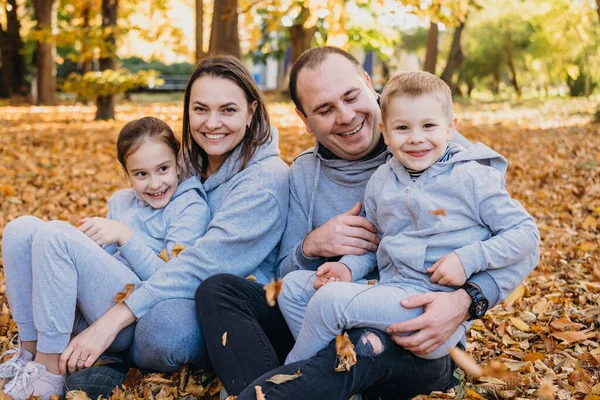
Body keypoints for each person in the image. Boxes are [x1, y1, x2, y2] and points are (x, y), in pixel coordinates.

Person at [196, 46, 538, 400]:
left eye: (351, 96)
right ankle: (293, 386)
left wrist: (467, 301)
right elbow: (285, 274)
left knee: (366, 343)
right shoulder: (305, 173)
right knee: (218, 290)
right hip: (333, 317)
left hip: (417, 330)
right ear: (304, 119)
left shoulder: (437, 149)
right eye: (325, 109)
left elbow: (523, 245)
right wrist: (312, 246)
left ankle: (283, 387)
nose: (345, 116)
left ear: (368, 82)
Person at [60, 55, 289, 397]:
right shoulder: (186, 162)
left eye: (228, 110)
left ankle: (117, 358)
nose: (212, 123)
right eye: (200, 109)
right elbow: (142, 207)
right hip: (161, 281)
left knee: (167, 329)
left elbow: (201, 267)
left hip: (224, 308)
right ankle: (108, 355)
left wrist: (113, 320)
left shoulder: (265, 181)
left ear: (251, 111)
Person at [280, 71, 540, 364]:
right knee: (292, 289)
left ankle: (290, 380)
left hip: (431, 307)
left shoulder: (473, 177)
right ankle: (333, 374)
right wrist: (349, 269)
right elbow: (378, 242)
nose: (416, 139)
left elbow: (526, 233)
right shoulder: (382, 181)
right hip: (391, 291)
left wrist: (469, 259)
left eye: (428, 125)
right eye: (402, 128)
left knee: (330, 302)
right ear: (386, 133)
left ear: (450, 128)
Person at [0, 116, 210, 399]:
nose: (155, 183)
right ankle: (29, 354)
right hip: (96, 307)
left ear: (177, 162)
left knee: (56, 234)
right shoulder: (121, 201)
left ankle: (49, 371)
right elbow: (106, 262)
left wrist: (125, 236)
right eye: (141, 174)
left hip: (131, 318)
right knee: (19, 229)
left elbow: (172, 278)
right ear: (127, 172)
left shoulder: (190, 207)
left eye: (163, 169)